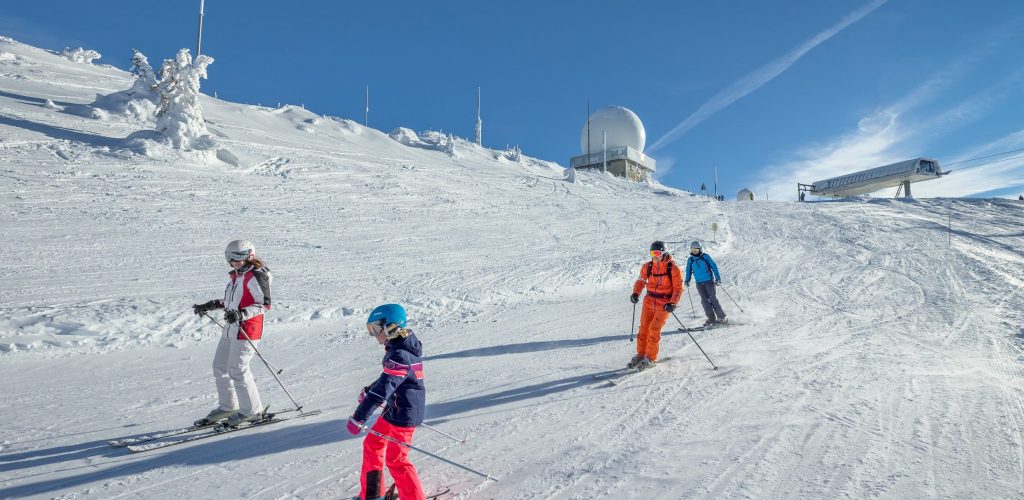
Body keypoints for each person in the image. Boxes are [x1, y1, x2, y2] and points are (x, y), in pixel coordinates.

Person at [347, 304, 426, 500]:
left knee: (396, 459)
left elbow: (383, 390)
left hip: (405, 414)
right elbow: (386, 379)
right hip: (394, 409)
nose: (373, 334)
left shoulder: (401, 356)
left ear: (391, 327)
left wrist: (359, 417)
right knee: (372, 443)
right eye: (370, 330)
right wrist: (368, 390)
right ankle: (372, 494)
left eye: (375, 329)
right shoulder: (398, 348)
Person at [191, 240, 273, 427]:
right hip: (231, 327)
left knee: (238, 369)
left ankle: (252, 411)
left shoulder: (257, 276)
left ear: (250, 255)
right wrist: (210, 305)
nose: (234, 261)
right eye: (230, 257)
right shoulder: (237, 276)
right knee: (220, 367)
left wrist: (242, 313)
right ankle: (228, 406)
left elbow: (264, 304)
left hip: (248, 328)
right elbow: (231, 301)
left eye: (238, 256)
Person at [629, 241, 683, 371]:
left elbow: (678, 288)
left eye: (658, 253)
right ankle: (641, 354)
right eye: (653, 253)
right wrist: (635, 293)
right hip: (649, 301)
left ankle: (650, 358)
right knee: (643, 329)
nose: (655, 256)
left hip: (664, 304)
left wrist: (673, 303)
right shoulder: (647, 267)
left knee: (654, 329)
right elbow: (641, 281)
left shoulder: (673, 268)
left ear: (664, 253)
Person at [684, 241, 727, 326]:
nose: (694, 252)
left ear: (700, 249)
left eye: (696, 250)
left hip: (709, 281)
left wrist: (718, 278)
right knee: (704, 301)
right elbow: (688, 270)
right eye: (693, 250)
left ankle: (722, 317)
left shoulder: (705, 257)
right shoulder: (691, 259)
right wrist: (687, 280)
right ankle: (711, 319)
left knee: (712, 299)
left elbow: (714, 266)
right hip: (699, 283)